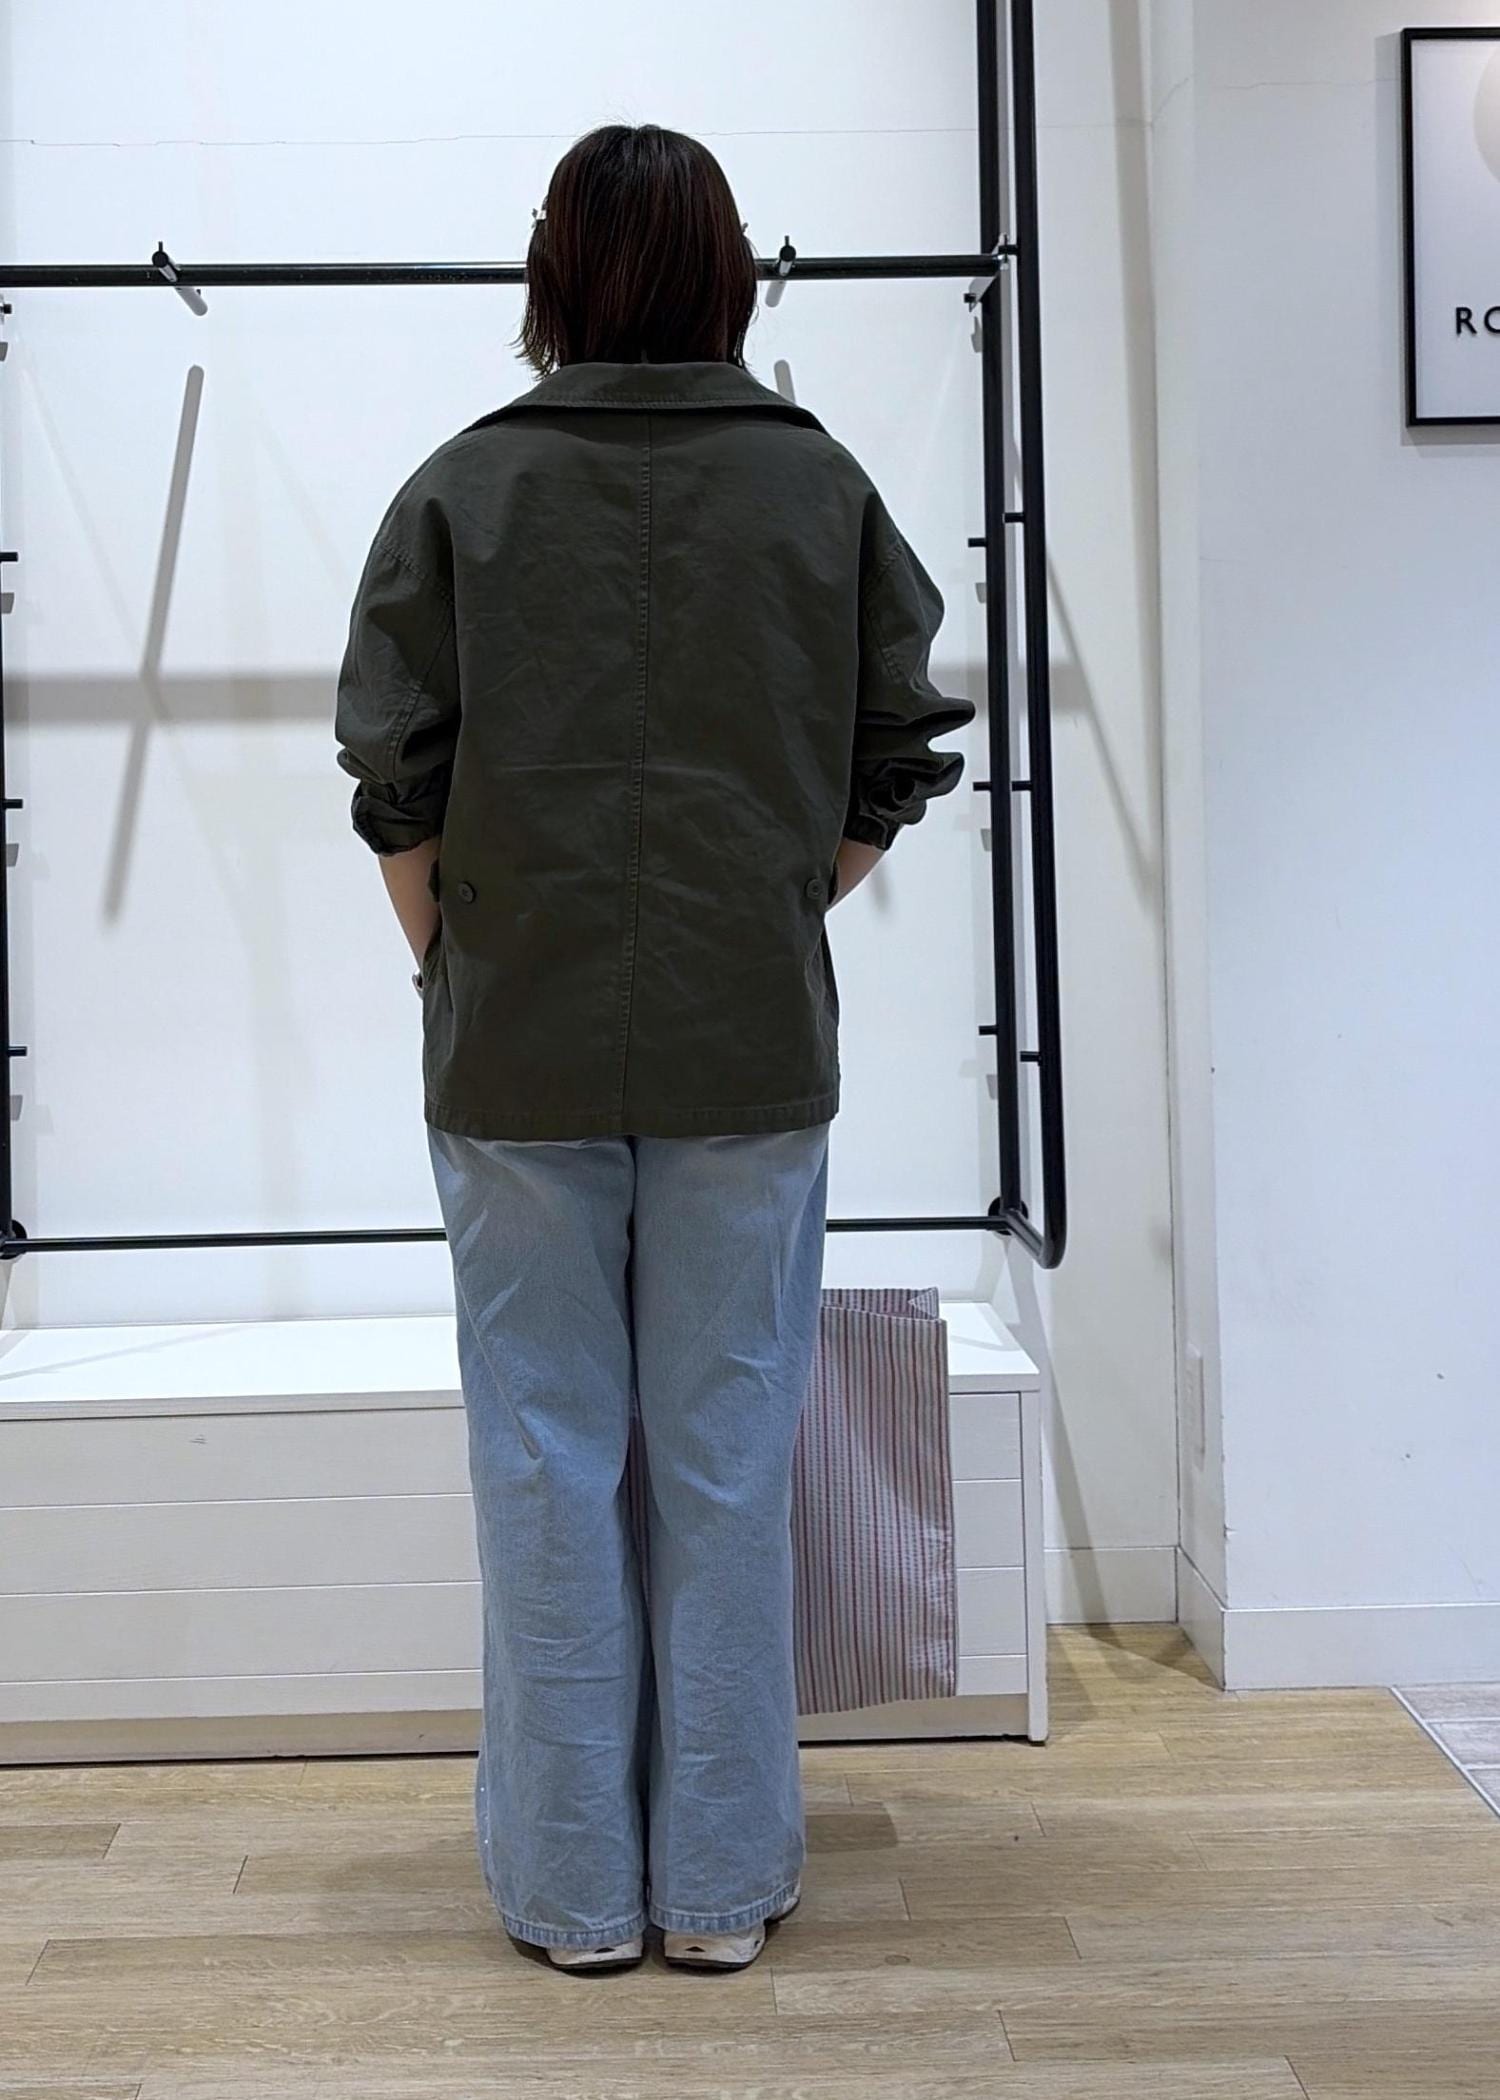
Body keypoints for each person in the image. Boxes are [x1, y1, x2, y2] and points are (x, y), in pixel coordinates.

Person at [333, 122, 974, 1975]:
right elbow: (897, 744)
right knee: (727, 1463)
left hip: (514, 1047)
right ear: (726, 270)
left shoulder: (466, 485)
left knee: (544, 1467)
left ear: (554, 270)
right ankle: (714, 1892)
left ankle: (574, 1899)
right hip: (746, 1042)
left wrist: (455, 963)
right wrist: (778, 907)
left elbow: (394, 773)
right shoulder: (819, 486)